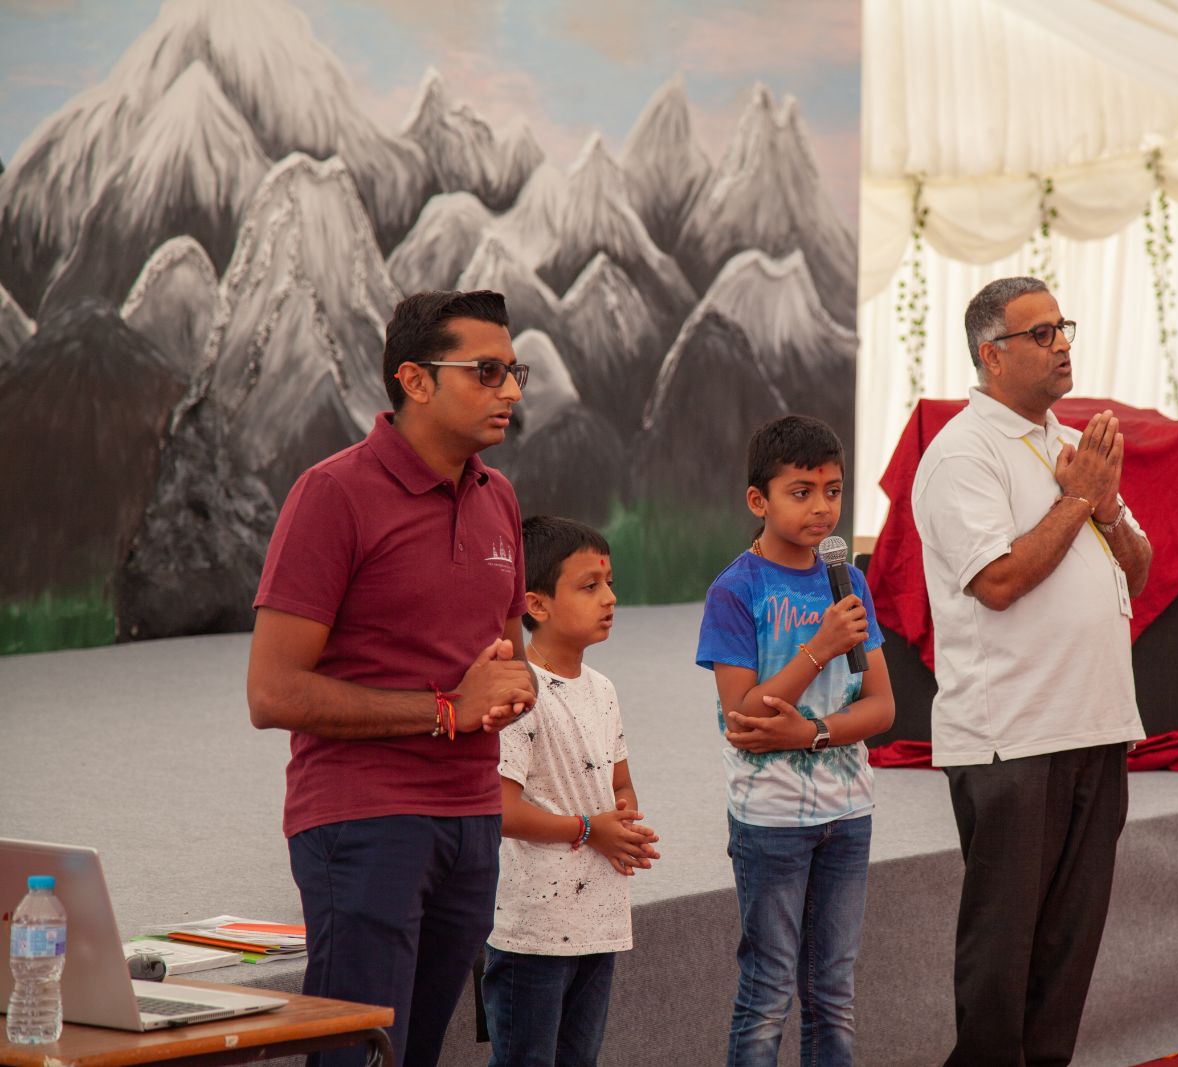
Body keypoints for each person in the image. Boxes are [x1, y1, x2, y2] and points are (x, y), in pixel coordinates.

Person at [247, 289, 537, 1067]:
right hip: (364, 821)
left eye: (515, 371)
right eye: (486, 371)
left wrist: (515, 689)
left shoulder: (498, 497)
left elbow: (510, 659)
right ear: (414, 380)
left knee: (411, 1058)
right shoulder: (333, 493)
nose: (510, 391)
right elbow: (272, 692)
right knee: (357, 1057)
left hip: (474, 821)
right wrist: (446, 709)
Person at [910, 276, 1153, 1067]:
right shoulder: (961, 456)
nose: (1062, 345)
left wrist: (1107, 507)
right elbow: (1000, 582)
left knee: (1068, 950)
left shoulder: (1066, 446)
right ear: (992, 354)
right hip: (1010, 739)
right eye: (1041, 334)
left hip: (1095, 724)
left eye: (1062, 328)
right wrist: (1080, 502)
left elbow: (1140, 573)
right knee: (1001, 959)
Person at [695, 414, 896, 1067]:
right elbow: (745, 719)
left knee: (833, 993)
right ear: (759, 500)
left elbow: (883, 705)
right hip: (772, 818)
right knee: (768, 993)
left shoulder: (849, 581)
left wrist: (811, 731)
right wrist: (819, 647)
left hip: (849, 811)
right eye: (802, 491)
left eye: (833, 490)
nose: (822, 507)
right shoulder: (737, 589)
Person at [482, 516, 660, 1067]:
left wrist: (624, 819)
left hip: (598, 922)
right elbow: (501, 809)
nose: (609, 597)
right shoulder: (520, 690)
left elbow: (619, 782)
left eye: (608, 582)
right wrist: (589, 829)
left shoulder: (602, 690)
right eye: (589, 586)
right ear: (536, 604)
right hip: (533, 931)